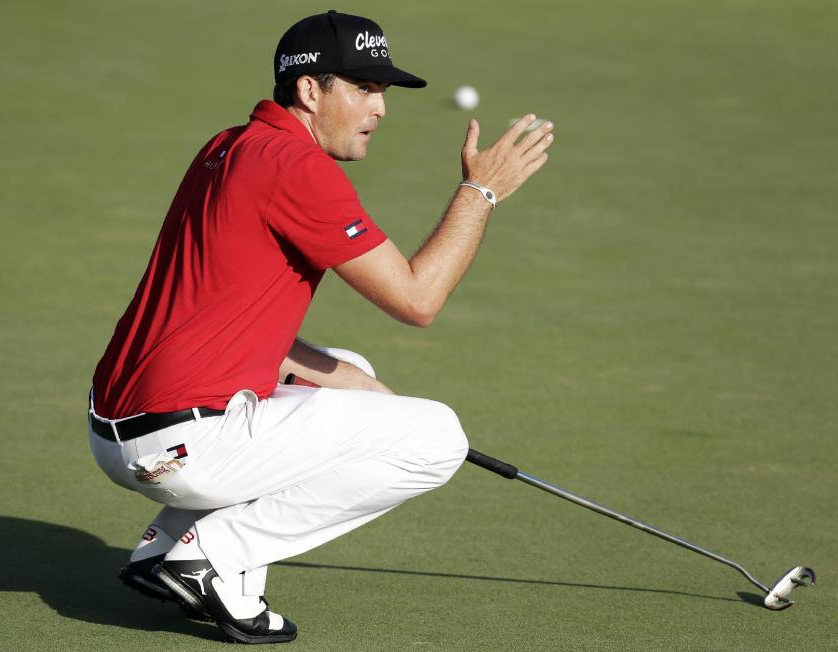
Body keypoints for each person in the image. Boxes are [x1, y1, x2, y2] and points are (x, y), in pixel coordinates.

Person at [87, 9, 553, 645]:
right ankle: (213, 555)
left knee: (346, 365)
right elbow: (418, 299)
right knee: (438, 437)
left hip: (123, 427)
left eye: (381, 90)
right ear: (310, 90)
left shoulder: (230, 145)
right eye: (363, 88)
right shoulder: (298, 168)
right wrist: (481, 192)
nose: (380, 108)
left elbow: (237, 319)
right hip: (180, 442)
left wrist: (361, 390)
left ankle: (165, 543)